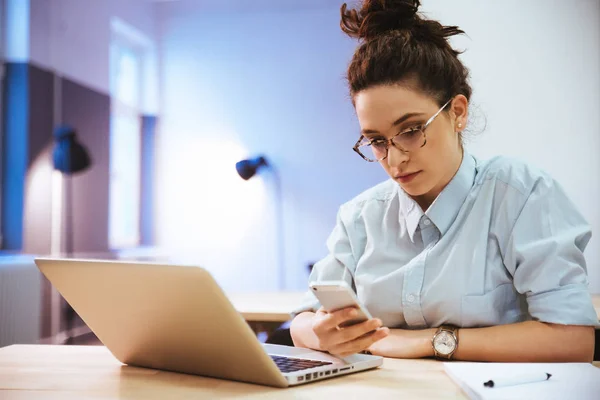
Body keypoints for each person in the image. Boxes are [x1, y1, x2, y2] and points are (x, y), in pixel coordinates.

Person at [289, 0, 597, 362]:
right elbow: (301, 321)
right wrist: (319, 333)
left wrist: (432, 341)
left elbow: (574, 339)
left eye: (411, 130)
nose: (394, 158)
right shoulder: (360, 217)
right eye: (376, 140)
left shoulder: (521, 194)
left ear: (458, 112)